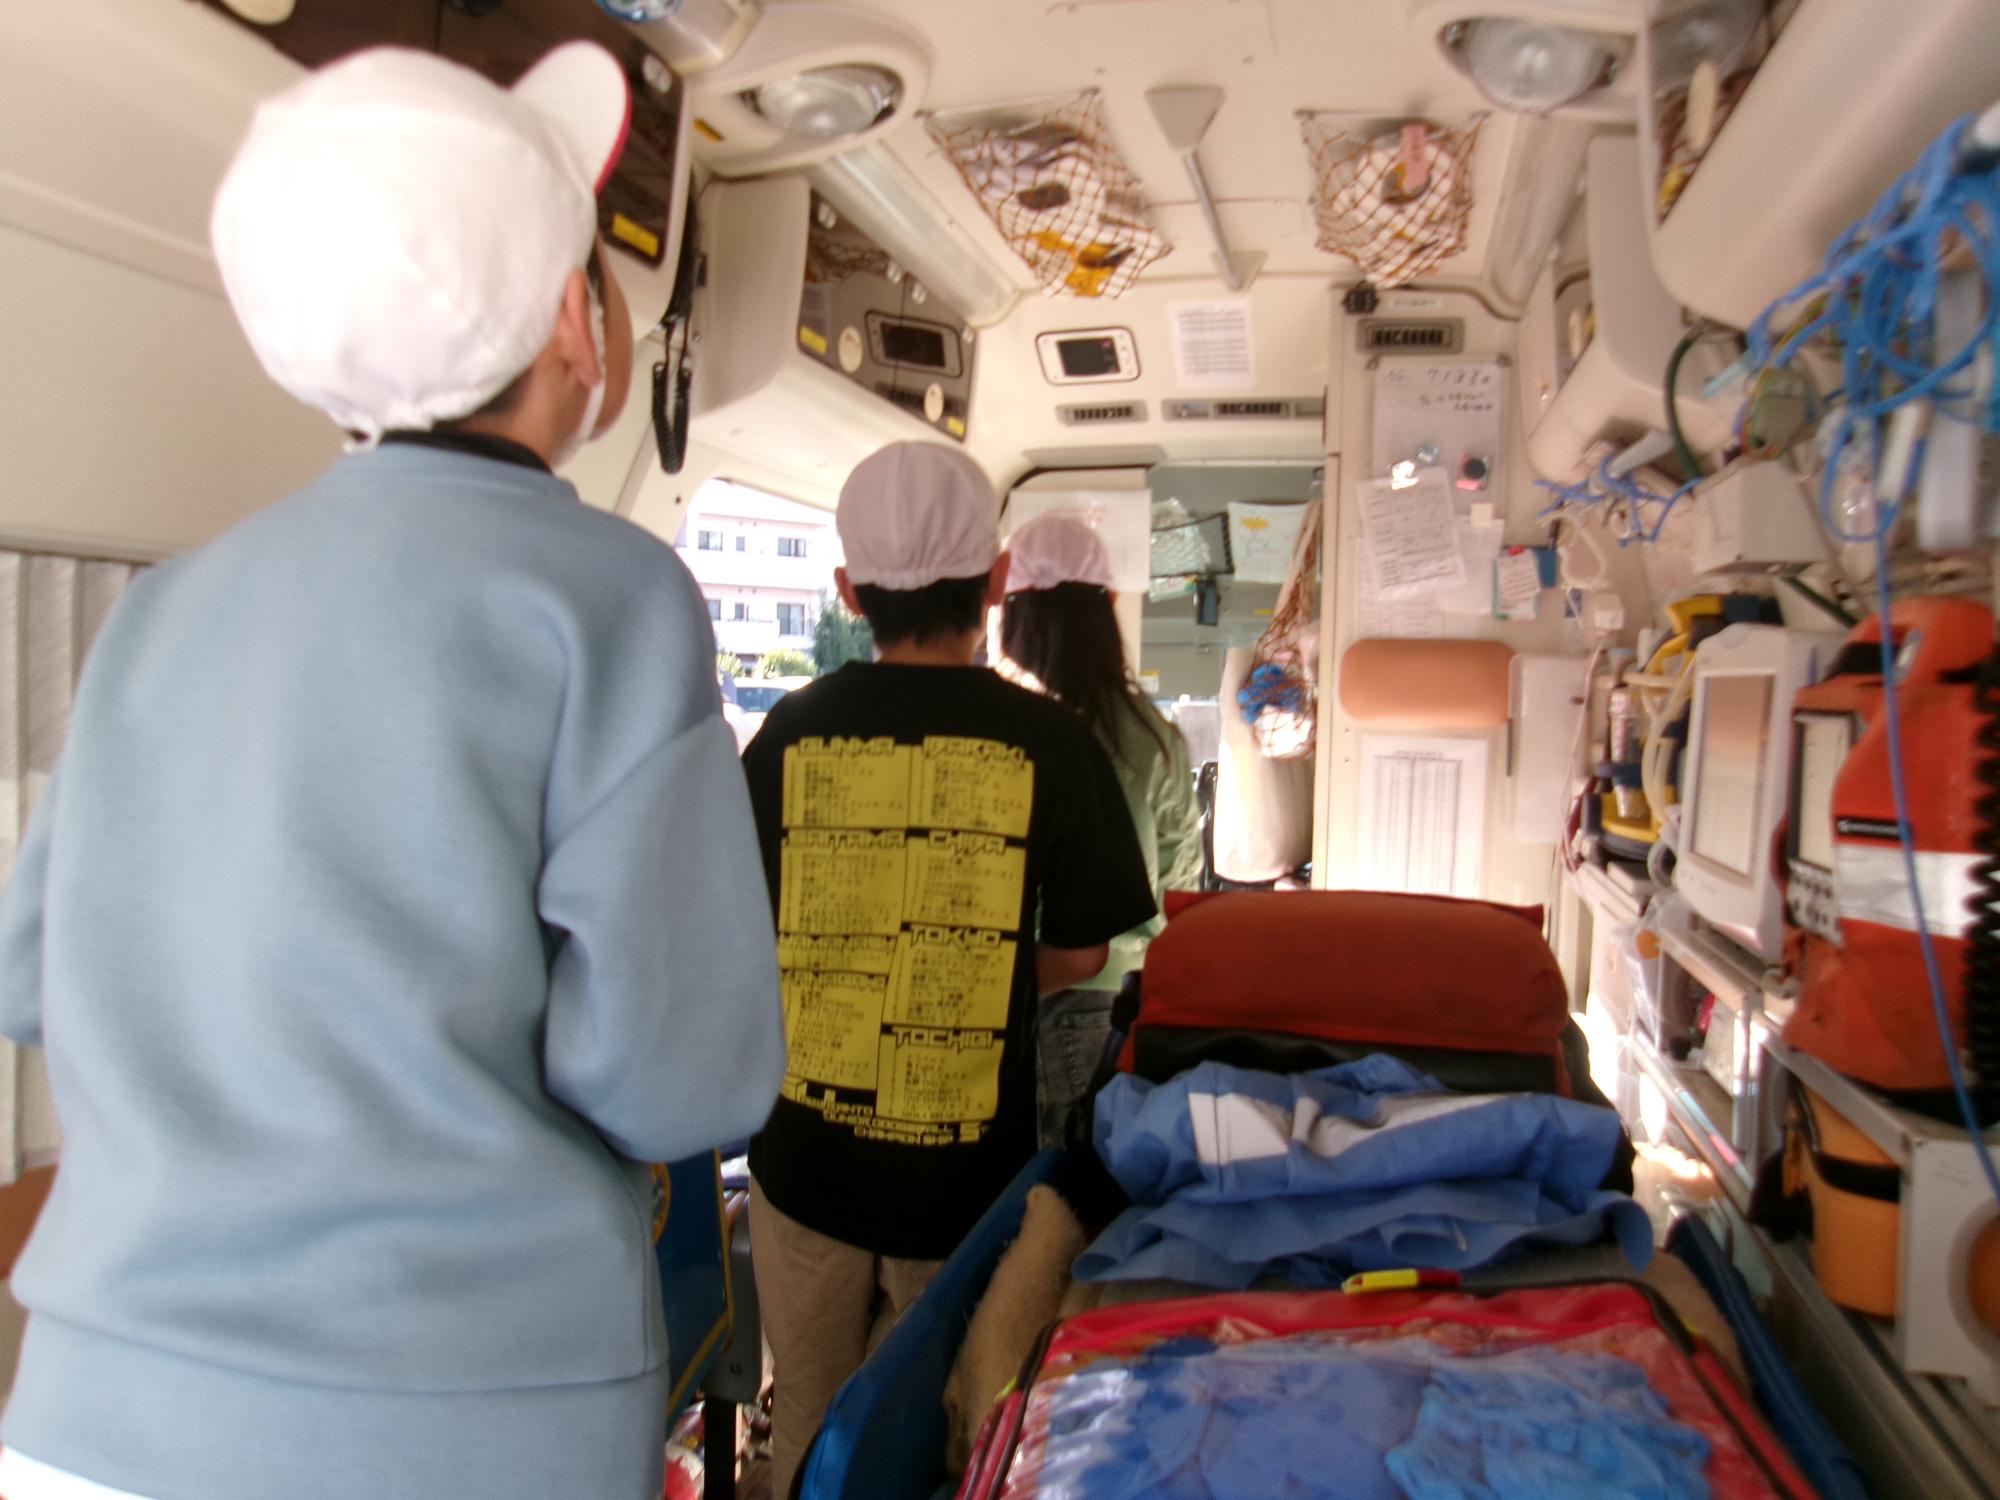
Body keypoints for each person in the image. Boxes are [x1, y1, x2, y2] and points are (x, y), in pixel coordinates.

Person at [0, 43, 785, 1500]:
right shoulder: (608, 596)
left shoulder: (168, 606)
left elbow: (35, 971)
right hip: (460, 1415)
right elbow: (686, 1080)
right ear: (574, 320)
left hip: (87, 1413)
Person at [739, 442, 1156, 1497]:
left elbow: (739, 925)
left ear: (848, 593)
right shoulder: (1051, 743)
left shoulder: (787, 734)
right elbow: (1086, 951)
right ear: (997, 579)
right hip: (961, 1180)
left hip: (804, 1167)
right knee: (941, 1438)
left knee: (809, 1435)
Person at [998, 512, 1202, 1145]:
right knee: (1087, 1185)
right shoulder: (1154, 738)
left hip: (1011, 996)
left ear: (1009, 615)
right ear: (1109, 605)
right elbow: (1181, 885)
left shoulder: (1003, 729)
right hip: (1118, 1003)